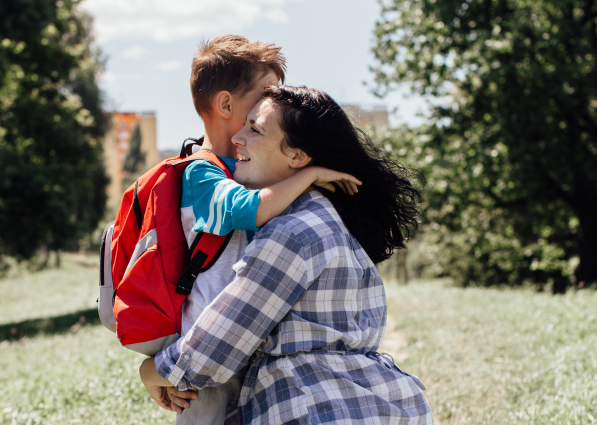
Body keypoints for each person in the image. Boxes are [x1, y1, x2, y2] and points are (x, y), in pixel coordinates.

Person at [140, 85, 434, 424]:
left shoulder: (293, 232)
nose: (237, 138)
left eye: (255, 129)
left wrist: (150, 371)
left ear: (297, 156)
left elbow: (215, 349)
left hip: (314, 408)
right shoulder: (334, 220)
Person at [147, 36, 362, 424]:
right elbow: (247, 210)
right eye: (266, 92)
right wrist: (309, 174)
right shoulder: (202, 170)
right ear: (226, 104)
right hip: (208, 334)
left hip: (244, 330)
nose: (273, 101)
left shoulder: (247, 169)